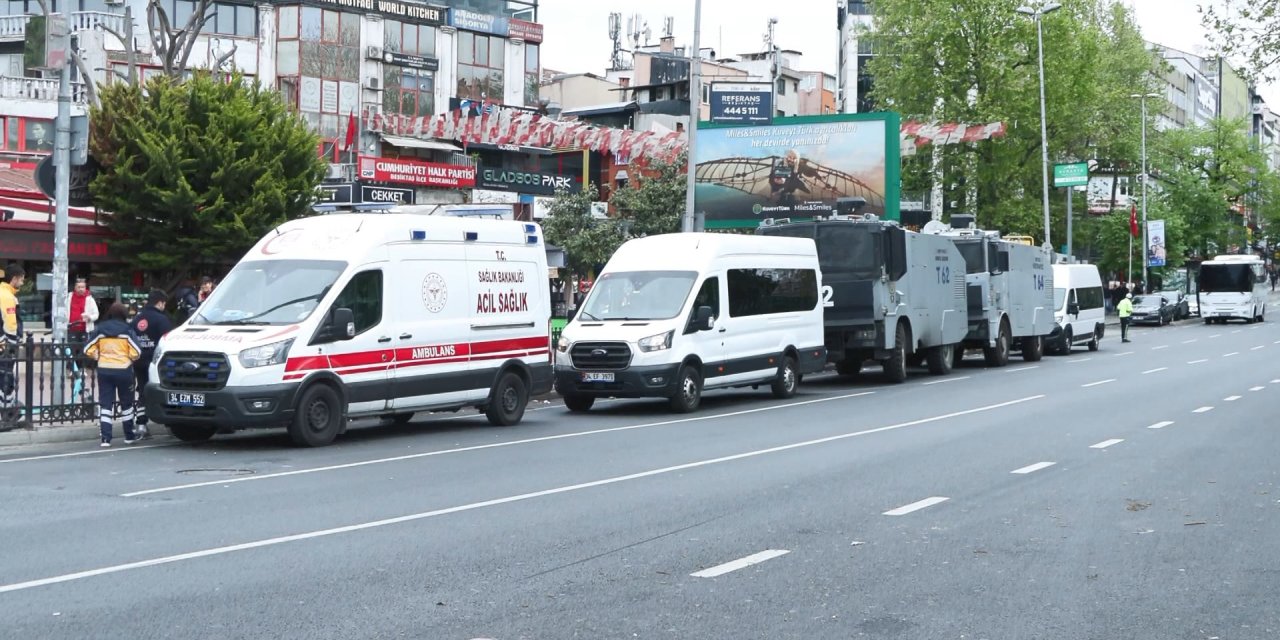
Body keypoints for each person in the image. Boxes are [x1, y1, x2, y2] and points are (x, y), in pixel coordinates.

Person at [83, 303, 142, 447]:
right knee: (126, 405)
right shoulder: (127, 330)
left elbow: (87, 349)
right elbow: (137, 352)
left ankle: (106, 439)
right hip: (124, 371)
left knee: (106, 404)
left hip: (104, 370)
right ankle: (129, 436)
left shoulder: (100, 329)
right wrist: (128, 358)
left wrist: (98, 356)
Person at [129, 289, 173, 438]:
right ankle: (170, 424)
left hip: (138, 360)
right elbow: (168, 341)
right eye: (164, 304)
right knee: (165, 391)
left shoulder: (137, 319)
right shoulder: (162, 320)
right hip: (156, 363)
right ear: (160, 303)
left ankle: (141, 424)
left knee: (142, 391)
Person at [1, 264, 25, 412]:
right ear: (14, 279)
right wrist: (12, 342)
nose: (22, 283)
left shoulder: (5, 293)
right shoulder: (7, 296)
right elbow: (10, 323)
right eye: (21, 280)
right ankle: (5, 410)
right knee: (5, 377)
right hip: (5, 346)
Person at [67, 277, 99, 347]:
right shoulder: (68, 298)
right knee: (71, 351)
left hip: (85, 330)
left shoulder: (90, 299)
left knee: (84, 352)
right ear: (75, 287)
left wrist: (90, 318)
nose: (81, 289)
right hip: (71, 329)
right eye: (79, 287)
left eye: (83, 287)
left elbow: (96, 314)